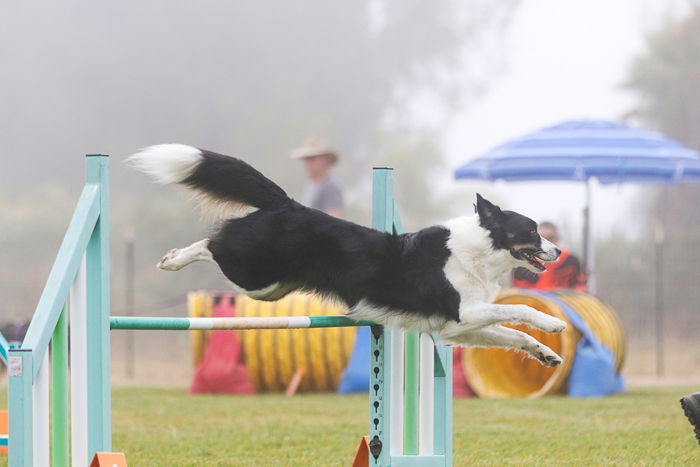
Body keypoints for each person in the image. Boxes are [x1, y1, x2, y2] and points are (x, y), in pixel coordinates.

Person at [512, 221, 587, 291]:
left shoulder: (570, 260)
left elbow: (580, 288)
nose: (546, 243)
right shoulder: (522, 262)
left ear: (557, 239)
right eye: (540, 238)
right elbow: (516, 290)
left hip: (561, 302)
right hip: (530, 302)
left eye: (550, 238)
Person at [290, 138, 344, 218]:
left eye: (312, 158)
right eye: (305, 159)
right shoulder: (311, 186)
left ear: (325, 159)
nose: (307, 163)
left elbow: (335, 218)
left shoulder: (331, 186)